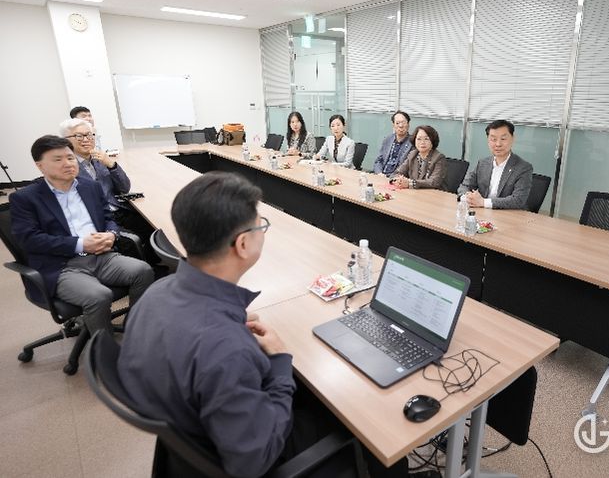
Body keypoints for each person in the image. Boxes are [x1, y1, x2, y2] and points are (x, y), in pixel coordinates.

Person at [118, 172, 407, 478]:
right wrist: (280, 360)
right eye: (261, 226)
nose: (263, 232)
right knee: (370, 423)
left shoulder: (156, 294)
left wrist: (228, 320)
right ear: (243, 244)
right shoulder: (226, 349)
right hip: (262, 450)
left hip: (200, 433)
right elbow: (253, 462)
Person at [10, 135, 154, 334]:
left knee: (143, 271)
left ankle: (135, 329)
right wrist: (80, 244)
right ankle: (103, 349)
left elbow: (108, 217)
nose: (68, 163)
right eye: (58, 159)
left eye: (70, 158)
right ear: (40, 166)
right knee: (98, 295)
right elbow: (29, 240)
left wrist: (112, 234)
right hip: (61, 266)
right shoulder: (25, 198)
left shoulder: (89, 187)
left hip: (102, 256)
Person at [60, 118, 156, 263]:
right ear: (65, 141)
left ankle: (152, 263)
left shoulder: (99, 160)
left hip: (119, 210)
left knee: (153, 228)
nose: (86, 139)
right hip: (100, 218)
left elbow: (124, 187)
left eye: (89, 135)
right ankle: (143, 268)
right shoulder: (67, 168)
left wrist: (111, 165)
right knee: (131, 241)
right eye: (79, 136)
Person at [458, 120, 532, 209]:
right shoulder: (482, 163)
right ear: (488, 141)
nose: (498, 144)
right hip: (482, 212)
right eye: (493, 139)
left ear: (513, 139)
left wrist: (483, 202)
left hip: (508, 214)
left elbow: (518, 200)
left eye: (503, 139)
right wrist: (467, 197)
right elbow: (465, 186)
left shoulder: (523, 168)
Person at [391, 125, 447, 190]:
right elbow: (397, 172)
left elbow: (434, 182)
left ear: (433, 141)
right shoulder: (413, 154)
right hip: (415, 192)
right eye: (419, 139)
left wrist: (410, 183)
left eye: (426, 139)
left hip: (434, 193)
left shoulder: (439, 158)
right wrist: (399, 180)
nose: (422, 142)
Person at [373, 111, 413, 175]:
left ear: (408, 124)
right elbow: (379, 160)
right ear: (393, 125)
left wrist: (391, 177)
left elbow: (407, 167)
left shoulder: (413, 142)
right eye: (397, 123)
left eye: (403, 122)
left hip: (398, 177)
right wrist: (379, 173)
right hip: (381, 175)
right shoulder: (388, 139)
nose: (400, 126)